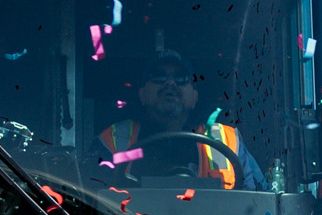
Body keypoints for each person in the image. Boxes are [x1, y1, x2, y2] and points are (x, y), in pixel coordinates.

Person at [102, 51, 242, 186]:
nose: (170, 83)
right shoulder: (113, 140)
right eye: (158, 76)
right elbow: (93, 193)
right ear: (142, 94)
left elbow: (253, 197)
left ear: (195, 97)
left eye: (181, 78)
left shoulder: (230, 142)